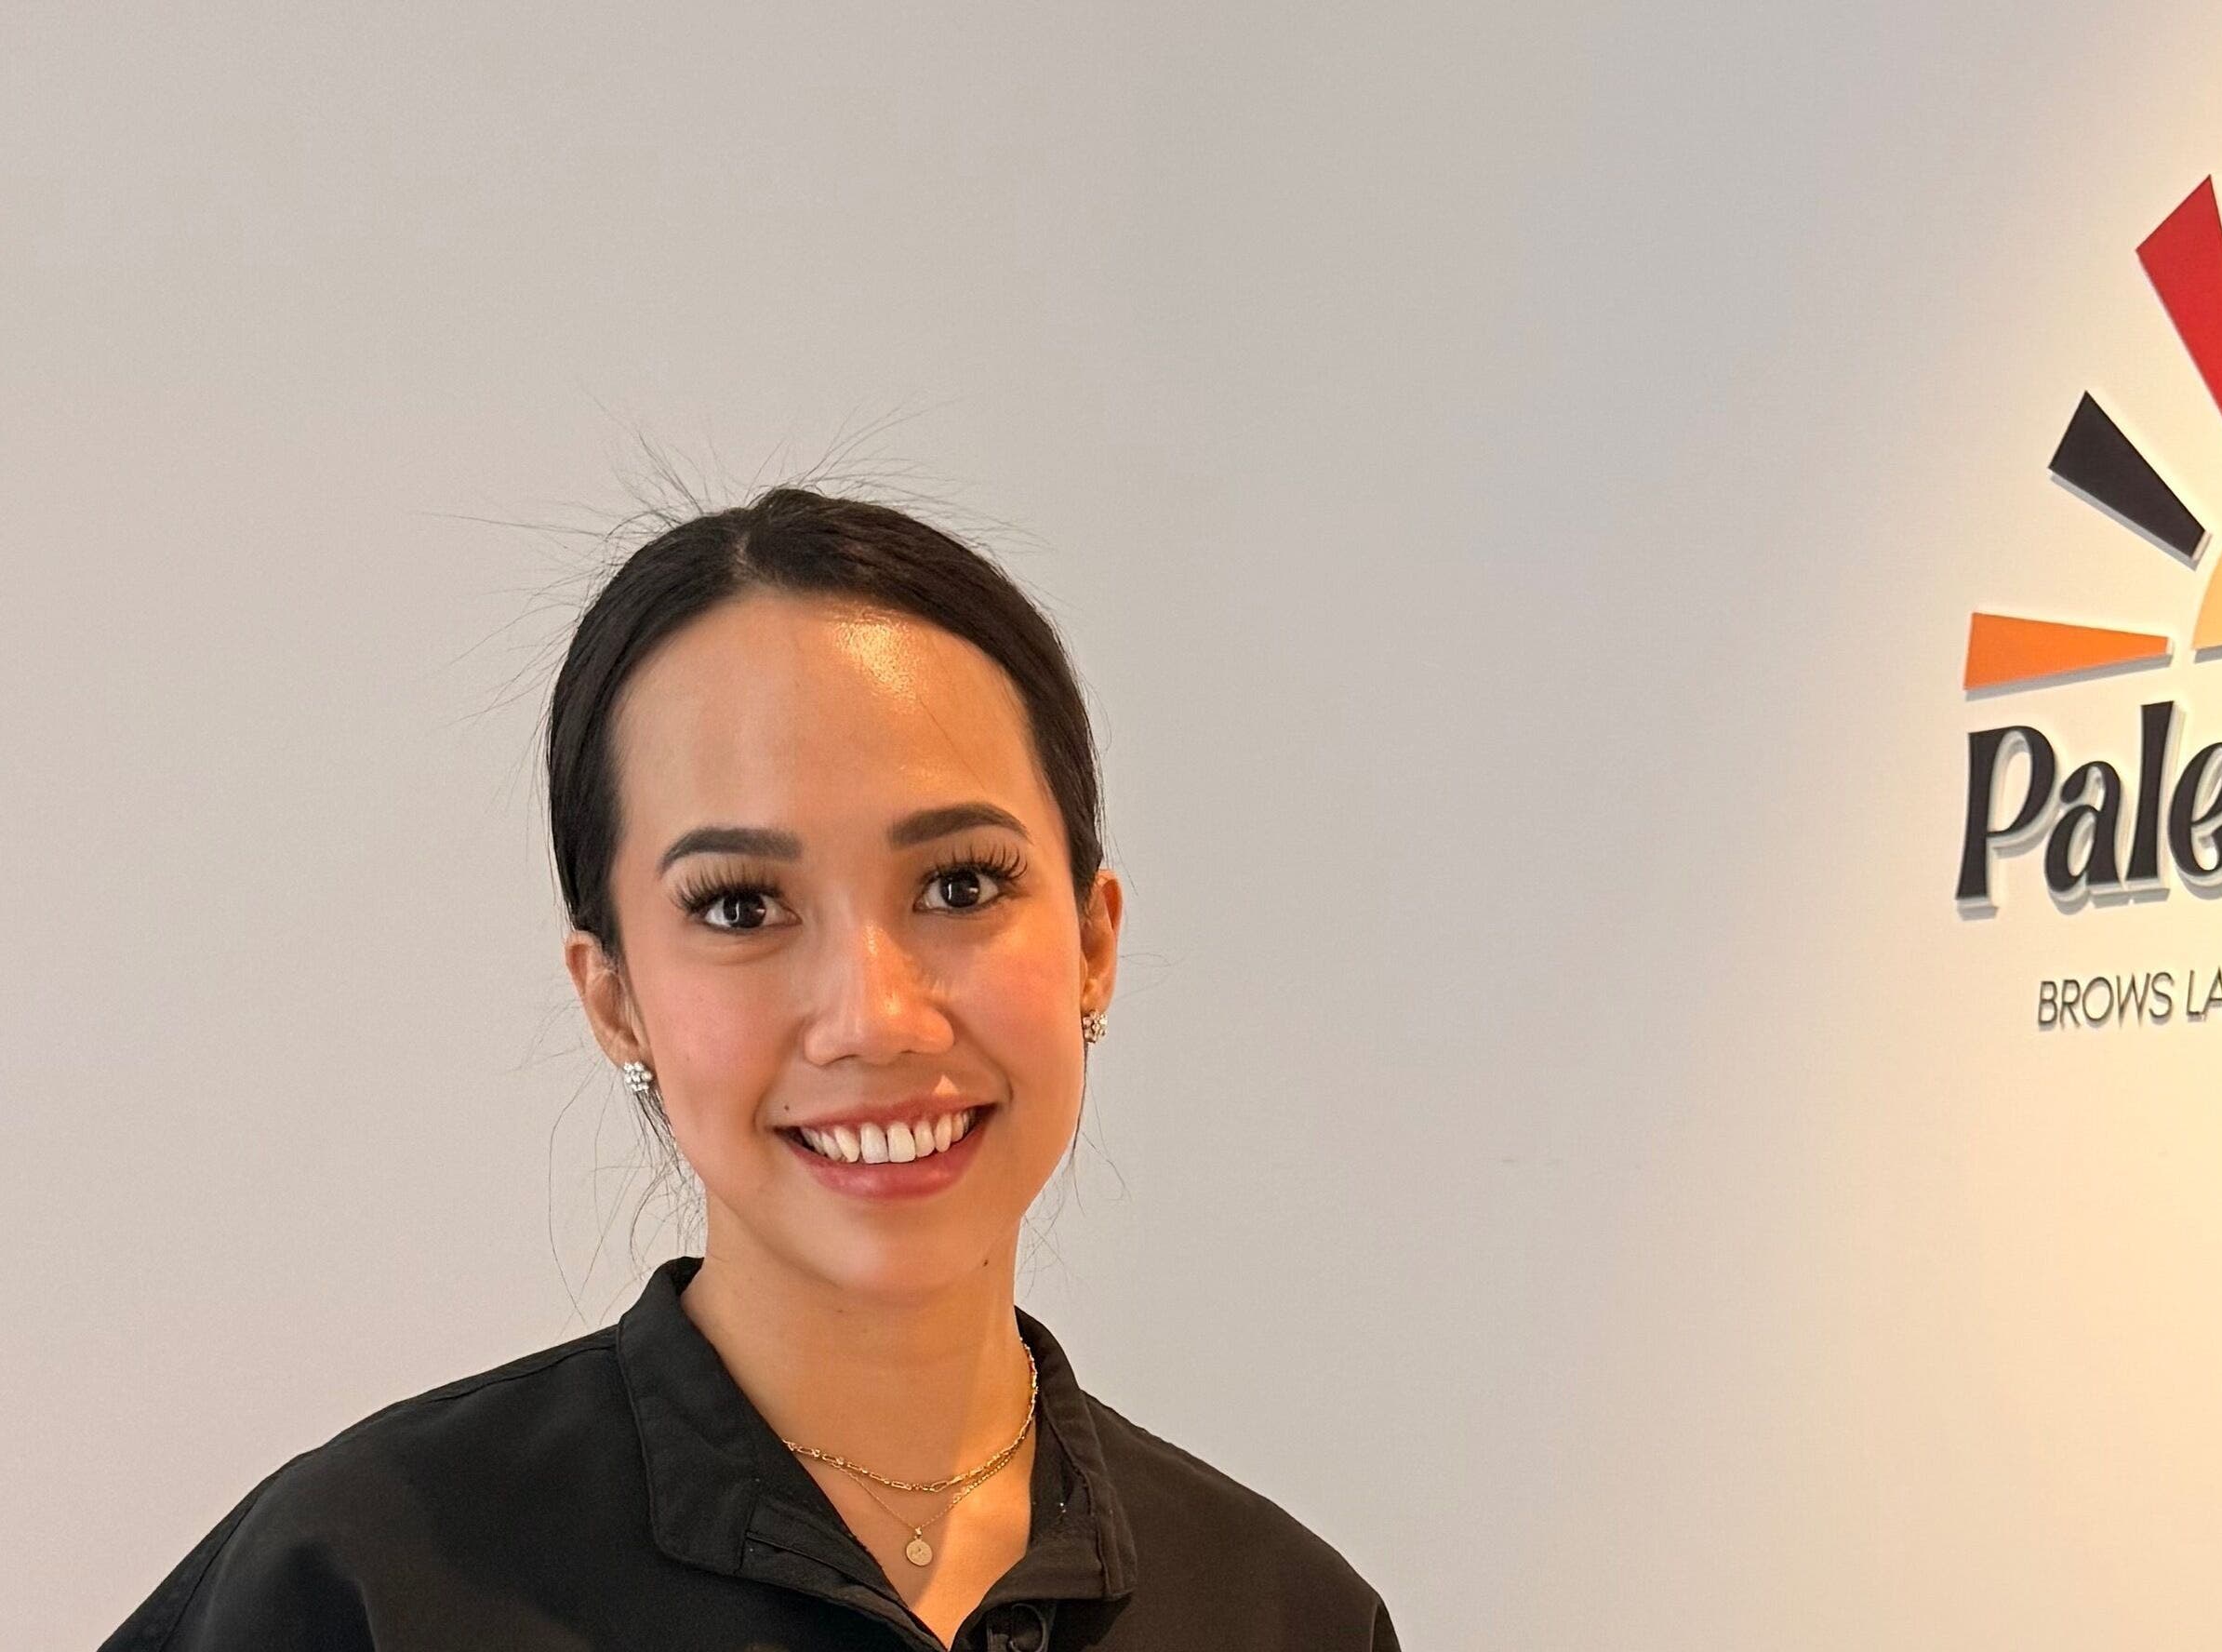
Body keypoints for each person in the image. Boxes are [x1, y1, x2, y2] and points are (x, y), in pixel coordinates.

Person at [101, 487, 1401, 1651]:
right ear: (612, 995)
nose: (873, 1018)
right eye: (739, 908)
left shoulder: (1283, 1614)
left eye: (959, 884)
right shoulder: (372, 1582)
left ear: (1095, 943)